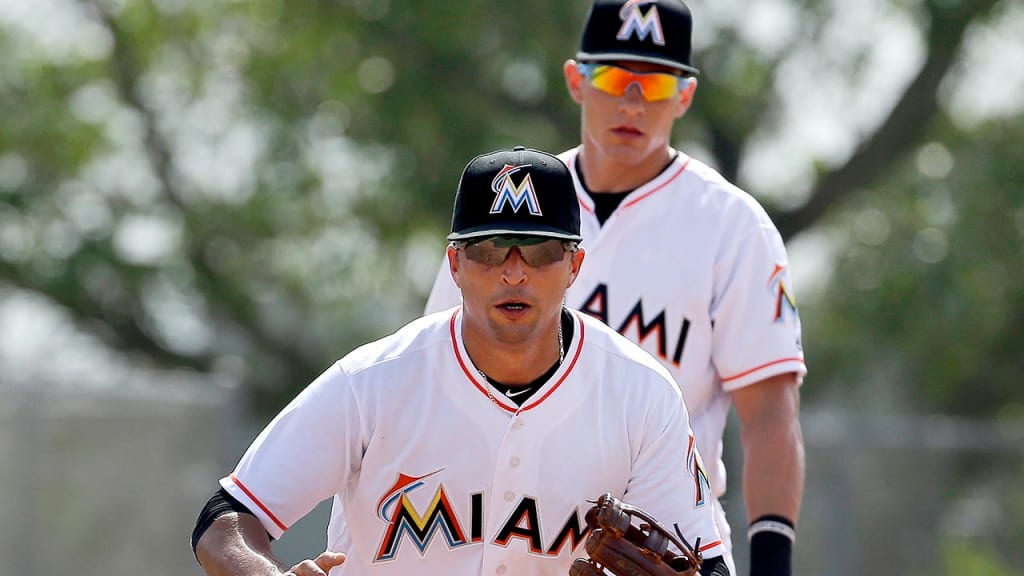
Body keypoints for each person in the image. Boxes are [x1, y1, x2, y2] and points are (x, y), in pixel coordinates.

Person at [191, 146, 731, 575]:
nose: (514, 273)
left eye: (540, 250)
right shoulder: (374, 382)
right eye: (490, 249)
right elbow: (224, 521)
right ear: (454, 263)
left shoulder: (640, 393)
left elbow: (706, 562)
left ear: (574, 265)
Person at [426, 2, 807, 575]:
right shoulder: (505, 203)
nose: (633, 102)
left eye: (653, 83)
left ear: (683, 96)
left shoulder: (730, 224)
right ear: (577, 80)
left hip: (663, 545)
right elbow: (436, 375)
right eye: (613, 77)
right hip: (507, 536)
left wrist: (772, 564)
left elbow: (769, 413)